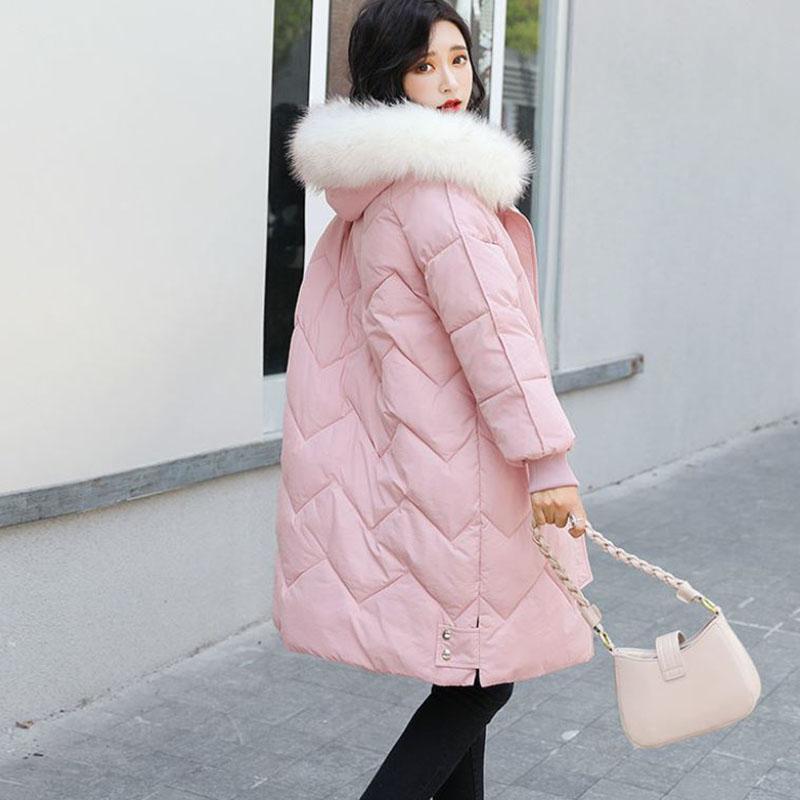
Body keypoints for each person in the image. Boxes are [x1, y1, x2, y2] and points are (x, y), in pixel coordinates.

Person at [272, 1, 595, 796]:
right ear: (392, 79)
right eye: (424, 65)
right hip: (468, 478)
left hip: (422, 464)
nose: (451, 81)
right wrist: (549, 462)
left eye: (457, 59)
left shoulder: (376, 195)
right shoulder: (441, 197)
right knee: (483, 681)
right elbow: (498, 345)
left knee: (468, 673)